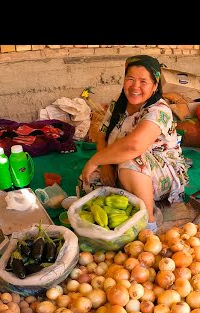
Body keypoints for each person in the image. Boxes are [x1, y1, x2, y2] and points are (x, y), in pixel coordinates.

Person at [81, 55, 189, 233]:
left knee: (131, 161)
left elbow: (134, 146)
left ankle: (149, 222)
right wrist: (105, 163)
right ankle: (124, 203)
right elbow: (102, 136)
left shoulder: (159, 110)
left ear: (155, 86)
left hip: (161, 172)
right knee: (88, 180)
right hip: (122, 163)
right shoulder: (118, 103)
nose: (135, 87)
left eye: (143, 81)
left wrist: (95, 160)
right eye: (130, 79)